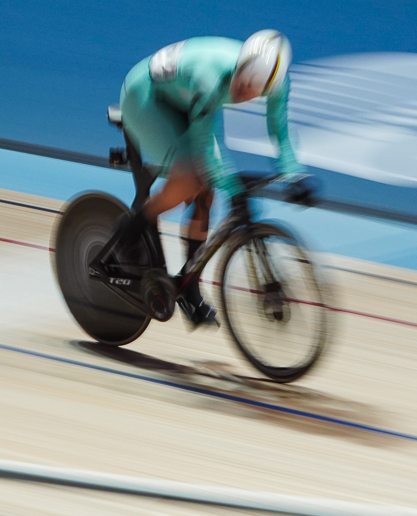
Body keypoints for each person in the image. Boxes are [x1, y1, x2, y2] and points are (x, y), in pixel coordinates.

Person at [109, 30, 317, 327]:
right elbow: (203, 141)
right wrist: (231, 184)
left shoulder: (277, 83)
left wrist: (295, 174)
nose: (243, 94)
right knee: (193, 179)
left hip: (184, 99)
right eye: (242, 85)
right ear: (239, 67)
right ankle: (131, 229)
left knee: (207, 195)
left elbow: (280, 130)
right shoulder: (212, 76)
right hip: (145, 97)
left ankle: (188, 286)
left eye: (252, 92)